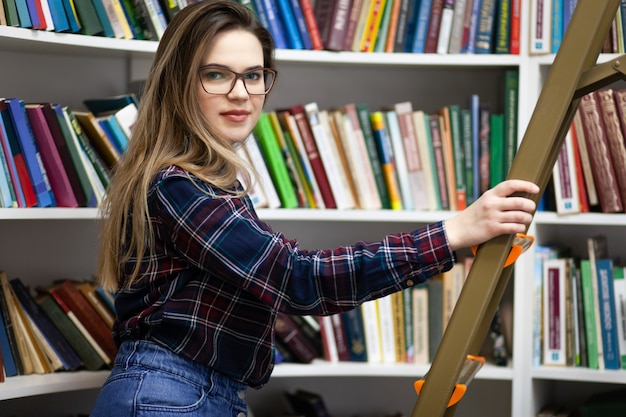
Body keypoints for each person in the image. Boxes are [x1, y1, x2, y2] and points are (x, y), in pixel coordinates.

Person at [89, 1, 539, 416]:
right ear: (179, 82)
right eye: (217, 75)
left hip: (196, 393)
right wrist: (451, 234)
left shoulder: (203, 181)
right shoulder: (178, 185)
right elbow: (298, 280)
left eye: (254, 74)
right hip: (170, 394)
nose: (242, 93)